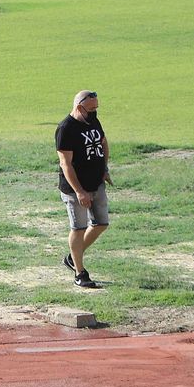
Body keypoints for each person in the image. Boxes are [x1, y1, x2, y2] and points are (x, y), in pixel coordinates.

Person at [56, 89, 110, 288]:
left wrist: (104, 168)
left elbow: (103, 142)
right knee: (78, 229)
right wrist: (79, 191)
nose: (94, 112)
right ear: (79, 107)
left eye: (96, 108)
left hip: (96, 183)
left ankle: (72, 256)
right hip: (74, 189)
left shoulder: (92, 121)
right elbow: (66, 164)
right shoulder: (66, 129)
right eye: (90, 109)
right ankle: (80, 273)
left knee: (101, 224)